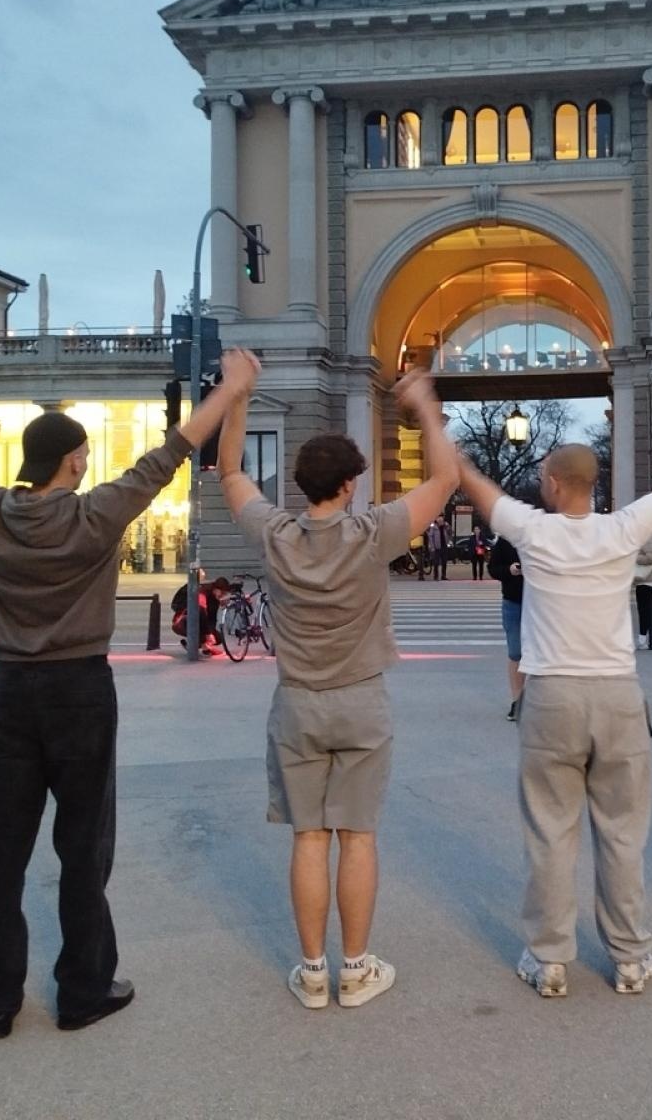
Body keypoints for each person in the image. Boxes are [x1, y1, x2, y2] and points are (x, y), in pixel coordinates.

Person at [0, 300, 260, 1039]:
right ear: (74, 460)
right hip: (80, 692)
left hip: (10, 697)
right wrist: (229, 392)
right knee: (83, 850)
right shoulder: (94, 515)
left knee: (1, 856)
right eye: (82, 457)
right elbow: (168, 454)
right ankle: (82, 991)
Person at [453, 377, 652, 997]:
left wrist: (430, 412)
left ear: (557, 484)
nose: (539, 484)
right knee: (621, 833)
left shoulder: (533, 531)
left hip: (553, 697)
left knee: (551, 831)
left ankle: (550, 958)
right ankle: (631, 956)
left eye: (543, 476)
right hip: (618, 696)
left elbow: (467, 480)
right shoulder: (626, 529)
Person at [218, 366, 457, 1011]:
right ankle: (356, 969)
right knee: (357, 835)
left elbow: (231, 472)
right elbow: (444, 481)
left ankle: (313, 971)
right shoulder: (373, 533)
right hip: (361, 700)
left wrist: (236, 397)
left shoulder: (275, 535)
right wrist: (425, 408)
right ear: (350, 486)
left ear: (301, 484)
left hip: (296, 702)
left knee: (307, 837)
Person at [486, 532, 524, 721]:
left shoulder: (541, 534)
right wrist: (509, 570)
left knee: (542, 654)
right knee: (516, 652)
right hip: (513, 602)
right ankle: (517, 701)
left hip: (540, 603)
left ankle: (537, 701)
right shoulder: (505, 540)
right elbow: (493, 568)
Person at [171, 569, 223, 655]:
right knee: (198, 620)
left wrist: (210, 632)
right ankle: (197, 645)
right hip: (183, 620)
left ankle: (200, 645)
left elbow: (211, 618)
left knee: (218, 638)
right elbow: (201, 610)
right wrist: (208, 634)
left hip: (193, 620)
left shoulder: (209, 594)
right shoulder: (195, 590)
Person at [633, 534, 652, 651]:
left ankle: (642, 640)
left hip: (646, 579)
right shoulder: (649, 536)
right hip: (647, 579)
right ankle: (644, 639)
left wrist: (634, 557)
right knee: (645, 609)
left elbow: (651, 557)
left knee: (643, 610)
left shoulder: (647, 537)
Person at [425, 514, 451, 580]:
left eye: (441, 517)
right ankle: (436, 576)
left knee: (444, 562)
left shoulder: (445, 526)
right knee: (436, 562)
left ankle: (443, 576)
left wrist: (448, 527)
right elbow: (430, 536)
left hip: (444, 546)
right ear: (436, 519)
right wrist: (432, 546)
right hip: (436, 547)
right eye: (438, 517)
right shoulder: (434, 527)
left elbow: (450, 533)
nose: (440, 519)